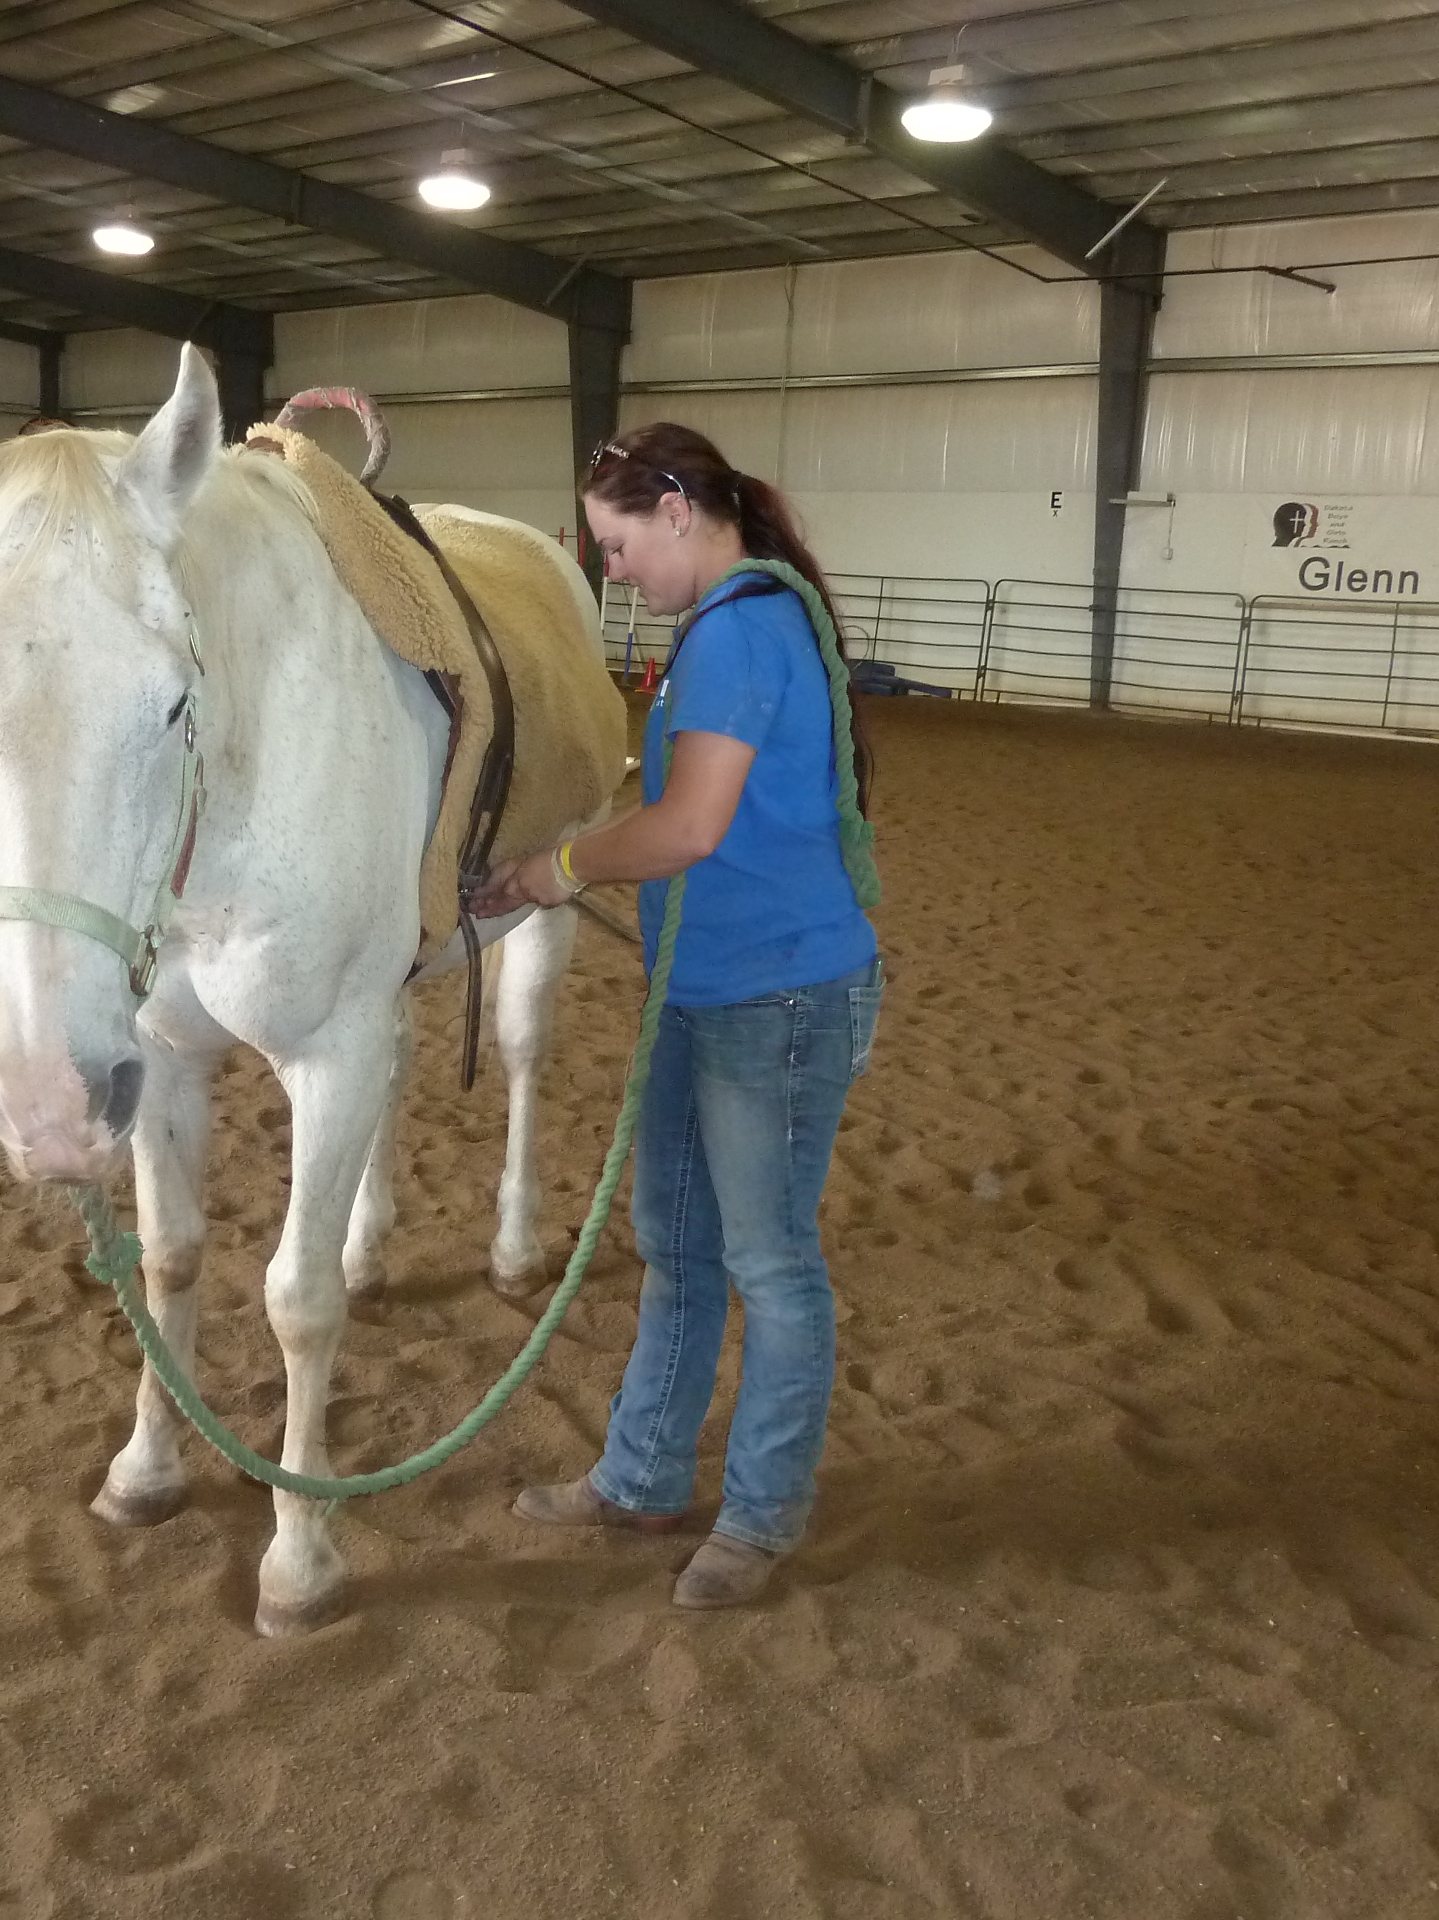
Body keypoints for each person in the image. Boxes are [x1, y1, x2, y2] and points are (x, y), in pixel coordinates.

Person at [471, 424, 882, 1610]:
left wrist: (558, 867)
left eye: (614, 544)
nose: (611, 572)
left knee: (769, 1261)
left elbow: (688, 827)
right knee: (680, 1243)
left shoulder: (739, 632)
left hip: (776, 996)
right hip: (711, 987)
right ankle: (644, 1475)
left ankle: (760, 1514)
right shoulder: (738, 624)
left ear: (676, 512)